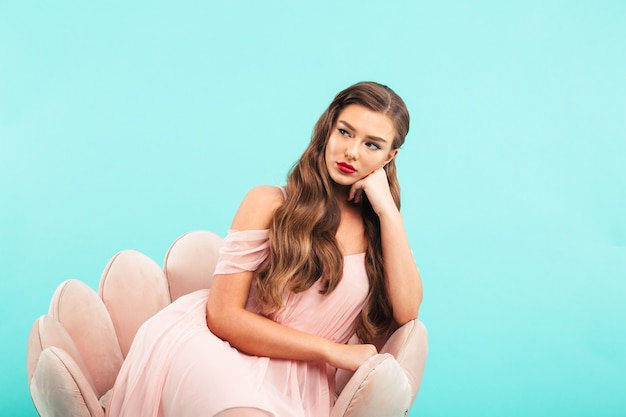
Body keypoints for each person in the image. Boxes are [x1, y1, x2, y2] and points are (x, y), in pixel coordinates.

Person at [105, 81, 423, 417]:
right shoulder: (270, 202)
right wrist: (334, 353)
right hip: (219, 351)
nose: (352, 152)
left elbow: (407, 313)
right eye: (345, 132)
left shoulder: (383, 233)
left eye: (372, 144)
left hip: (299, 382)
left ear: (390, 157)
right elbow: (223, 317)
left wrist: (388, 210)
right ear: (328, 129)